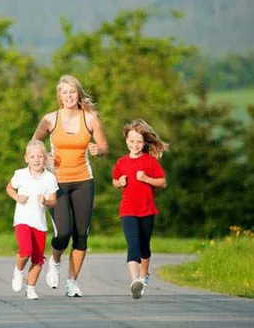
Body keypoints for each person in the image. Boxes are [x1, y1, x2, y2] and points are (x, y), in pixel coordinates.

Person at [32, 75, 108, 297]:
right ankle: (54, 261)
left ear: (78, 94)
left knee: (81, 234)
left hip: (84, 180)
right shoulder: (50, 119)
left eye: (72, 92)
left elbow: (104, 146)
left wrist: (98, 150)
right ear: (59, 96)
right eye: (64, 92)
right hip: (56, 182)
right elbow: (34, 144)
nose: (68, 96)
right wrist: (44, 157)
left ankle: (72, 282)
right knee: (63, 232)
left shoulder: (90, 119)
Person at [112, 118, 168, 300]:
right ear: (126, 141)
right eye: (131, 141)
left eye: (138, 141)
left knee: (144, 247)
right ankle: (135, 281)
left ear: (144, 143)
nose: (135, 145)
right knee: (133, 246)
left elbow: (162, 183)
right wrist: (119, 183)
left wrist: (146, 179)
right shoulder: (121, 162)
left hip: (147, 210)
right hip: (128, 210)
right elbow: (115, 180)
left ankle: (144, 276)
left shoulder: (150, 162)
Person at [6, 139, 58, 300]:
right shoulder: (20, 174)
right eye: (33, 156)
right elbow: (9, 187)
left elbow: (54, 201)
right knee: (25, 250)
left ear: (45, 159)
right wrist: (16, 196)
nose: (36, 160)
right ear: (26, 158)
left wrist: (46, 201)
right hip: (22, 220)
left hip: (39, 224)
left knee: (38, 259)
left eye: (40, 156)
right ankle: (18, 271)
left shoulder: (49, 178)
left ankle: (31, 288)